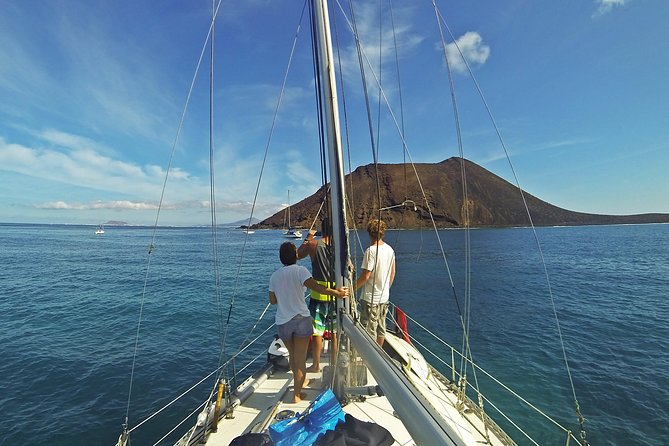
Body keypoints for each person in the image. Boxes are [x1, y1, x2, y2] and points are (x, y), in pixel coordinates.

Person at [269, 241, 348, 403]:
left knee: (293, 356)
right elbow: (316, 287)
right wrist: (336, 293)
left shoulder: (274, 276)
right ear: (296, 255)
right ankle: (297, 395)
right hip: (300, 321)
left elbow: (273, 301)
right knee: (300, 359)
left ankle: (300, 382)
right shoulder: (301, 271)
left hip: (283, 322)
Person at [297, 218, 334, 372]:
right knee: (335, 332)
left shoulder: (313, 245)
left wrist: (309, 237)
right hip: (335, 293)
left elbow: (298, 255)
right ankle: (335, 363)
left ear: (322, 229)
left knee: (318, 331)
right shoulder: (339, 246)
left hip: (318, 293)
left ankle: (316, 365)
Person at [353, 219, 395, 347]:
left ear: (370, 233)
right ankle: (380, 354)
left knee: (368, 330)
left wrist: (351, 289)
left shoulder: (370, 251)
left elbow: (366, 276)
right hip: (384, 298)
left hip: (370, 298)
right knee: (381, 329)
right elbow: (392, 273)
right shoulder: (390, 250)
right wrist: (385, 289)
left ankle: (369, 360)